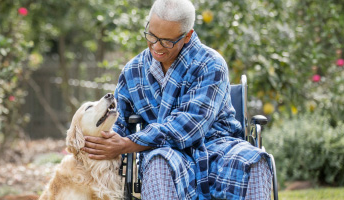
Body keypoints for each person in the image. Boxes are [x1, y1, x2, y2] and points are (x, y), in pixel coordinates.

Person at [82, 0, 272, 199]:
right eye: (152, 36)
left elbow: (189, 125)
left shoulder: (211, 64)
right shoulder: (133, 70)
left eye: (166, 41)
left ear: (187, 36)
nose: (156, 46)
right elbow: (119, 122)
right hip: (164, 151)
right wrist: (106, 142)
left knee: (254, 162)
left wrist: (129, 143)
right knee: (158, 162)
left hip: (216, 145)